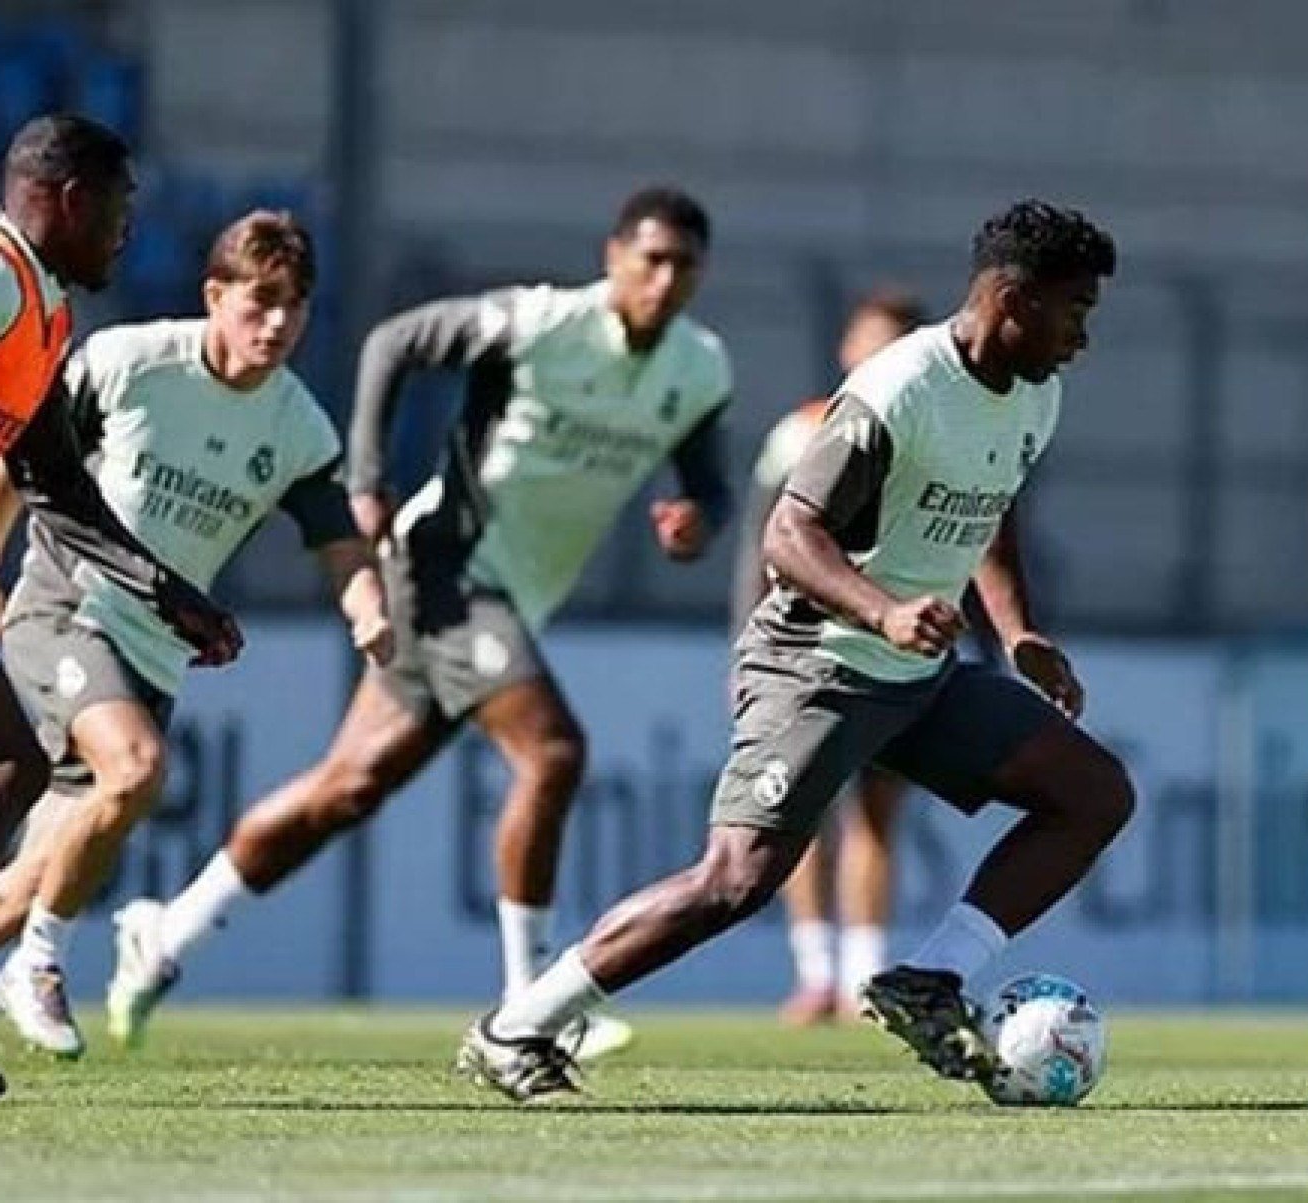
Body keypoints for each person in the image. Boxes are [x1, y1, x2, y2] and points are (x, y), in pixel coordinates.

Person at [461, 198, 1134, 1103]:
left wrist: (1018, 632)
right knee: (734, 881)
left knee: (1092, 793)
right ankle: (517, 1024)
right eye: (1076, 312)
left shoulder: (1035, 394)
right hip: (815, 664)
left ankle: (928, 980)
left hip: (917, 677)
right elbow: (789, 534)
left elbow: (991, 512)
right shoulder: (901, 390)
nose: (1082, 339)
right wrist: (887, 610)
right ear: (1014, 300)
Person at [102, 186, 733, 1056]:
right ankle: (530, 1003)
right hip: (443, 569)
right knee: (554, 752)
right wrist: (365, 477)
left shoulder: (699, 367)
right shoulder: (539, 324)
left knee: (347, 788)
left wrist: (698, 516)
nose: (665, 279)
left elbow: (707, 481)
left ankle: (165, 935)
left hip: (509, 599)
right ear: (614, 255)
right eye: (651, 258)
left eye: (685, 265)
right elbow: (393, 342)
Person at [0, 210, 396, 1058]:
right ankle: (39, 967)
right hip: (64, 606)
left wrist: (367, 609)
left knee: (35, 877)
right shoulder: (131, 362)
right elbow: (20, 454)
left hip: (153, 659)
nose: (278, 323)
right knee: (138, 768)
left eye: (295, 305)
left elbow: (339, 541)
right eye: (260, 301)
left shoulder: (299, 427)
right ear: (214, 295)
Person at [0, 113, 238, 1102]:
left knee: (0, 763)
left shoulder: (45, 318)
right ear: (70, 199)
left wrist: (170, 594)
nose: (127, 232)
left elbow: (58, 491)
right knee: (4, 761)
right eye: (118, 210)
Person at [734, 288, 923, 1025]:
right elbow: (762, 545)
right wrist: (742, 650)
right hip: (803, 650)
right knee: (797, 810)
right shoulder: (801, 431)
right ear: (848, 350)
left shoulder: (936, 426)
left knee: (877, 817)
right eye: (870, 341)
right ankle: (814, 971)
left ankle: (863, 978)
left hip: (898, 649)